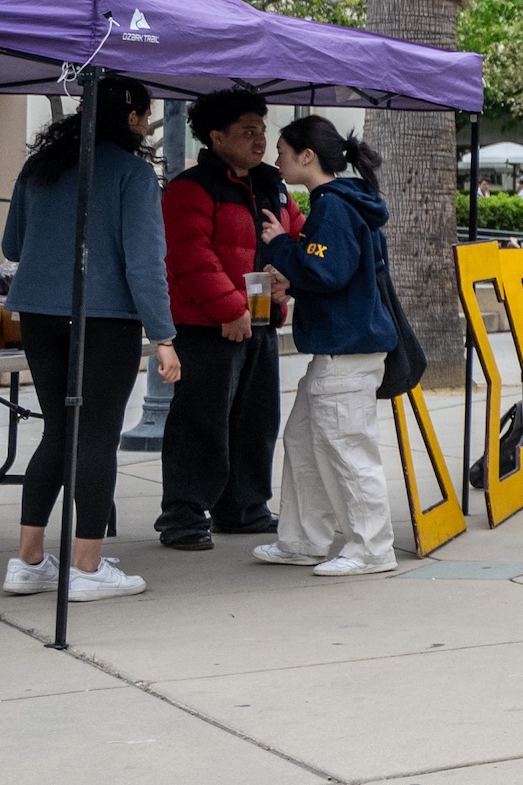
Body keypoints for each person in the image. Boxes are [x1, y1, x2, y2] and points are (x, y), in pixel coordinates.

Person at [1, 76, 180, 603]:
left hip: (39, 312)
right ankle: (86, 565)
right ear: (131, 118)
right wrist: (164, 336)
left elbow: (12, 245)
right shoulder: (132, 174)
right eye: (145, 116)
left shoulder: (40, 169)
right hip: (104, 318)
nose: (147, 125)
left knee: (59, 431)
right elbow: (146, 264)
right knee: (97, 435)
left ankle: (28, 560)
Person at [258, 116, 405, 577]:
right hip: (344, 348)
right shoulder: (342, 203)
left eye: (282, 150)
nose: (275, 159)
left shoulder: (332, 207)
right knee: (304, 440)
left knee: (346, 449)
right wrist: (294, 272)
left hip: (346, 351)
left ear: (307, 156)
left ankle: (371, 548)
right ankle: (303, 539)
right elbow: (338, 275)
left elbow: (327, 271)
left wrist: (281, 246)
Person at [154, 85, 294, 552]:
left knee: (257, 420)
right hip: (207, 327)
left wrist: (287, 279)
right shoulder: (191, 187)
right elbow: (190, 257)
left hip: (261, 321)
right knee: (201, 421)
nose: (259, 139)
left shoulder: (272, 184)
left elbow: (295, 234)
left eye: (262, 129)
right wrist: (231, 309)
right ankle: (184, 516)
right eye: (247, 131)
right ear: (216, 137)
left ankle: (244, 509)